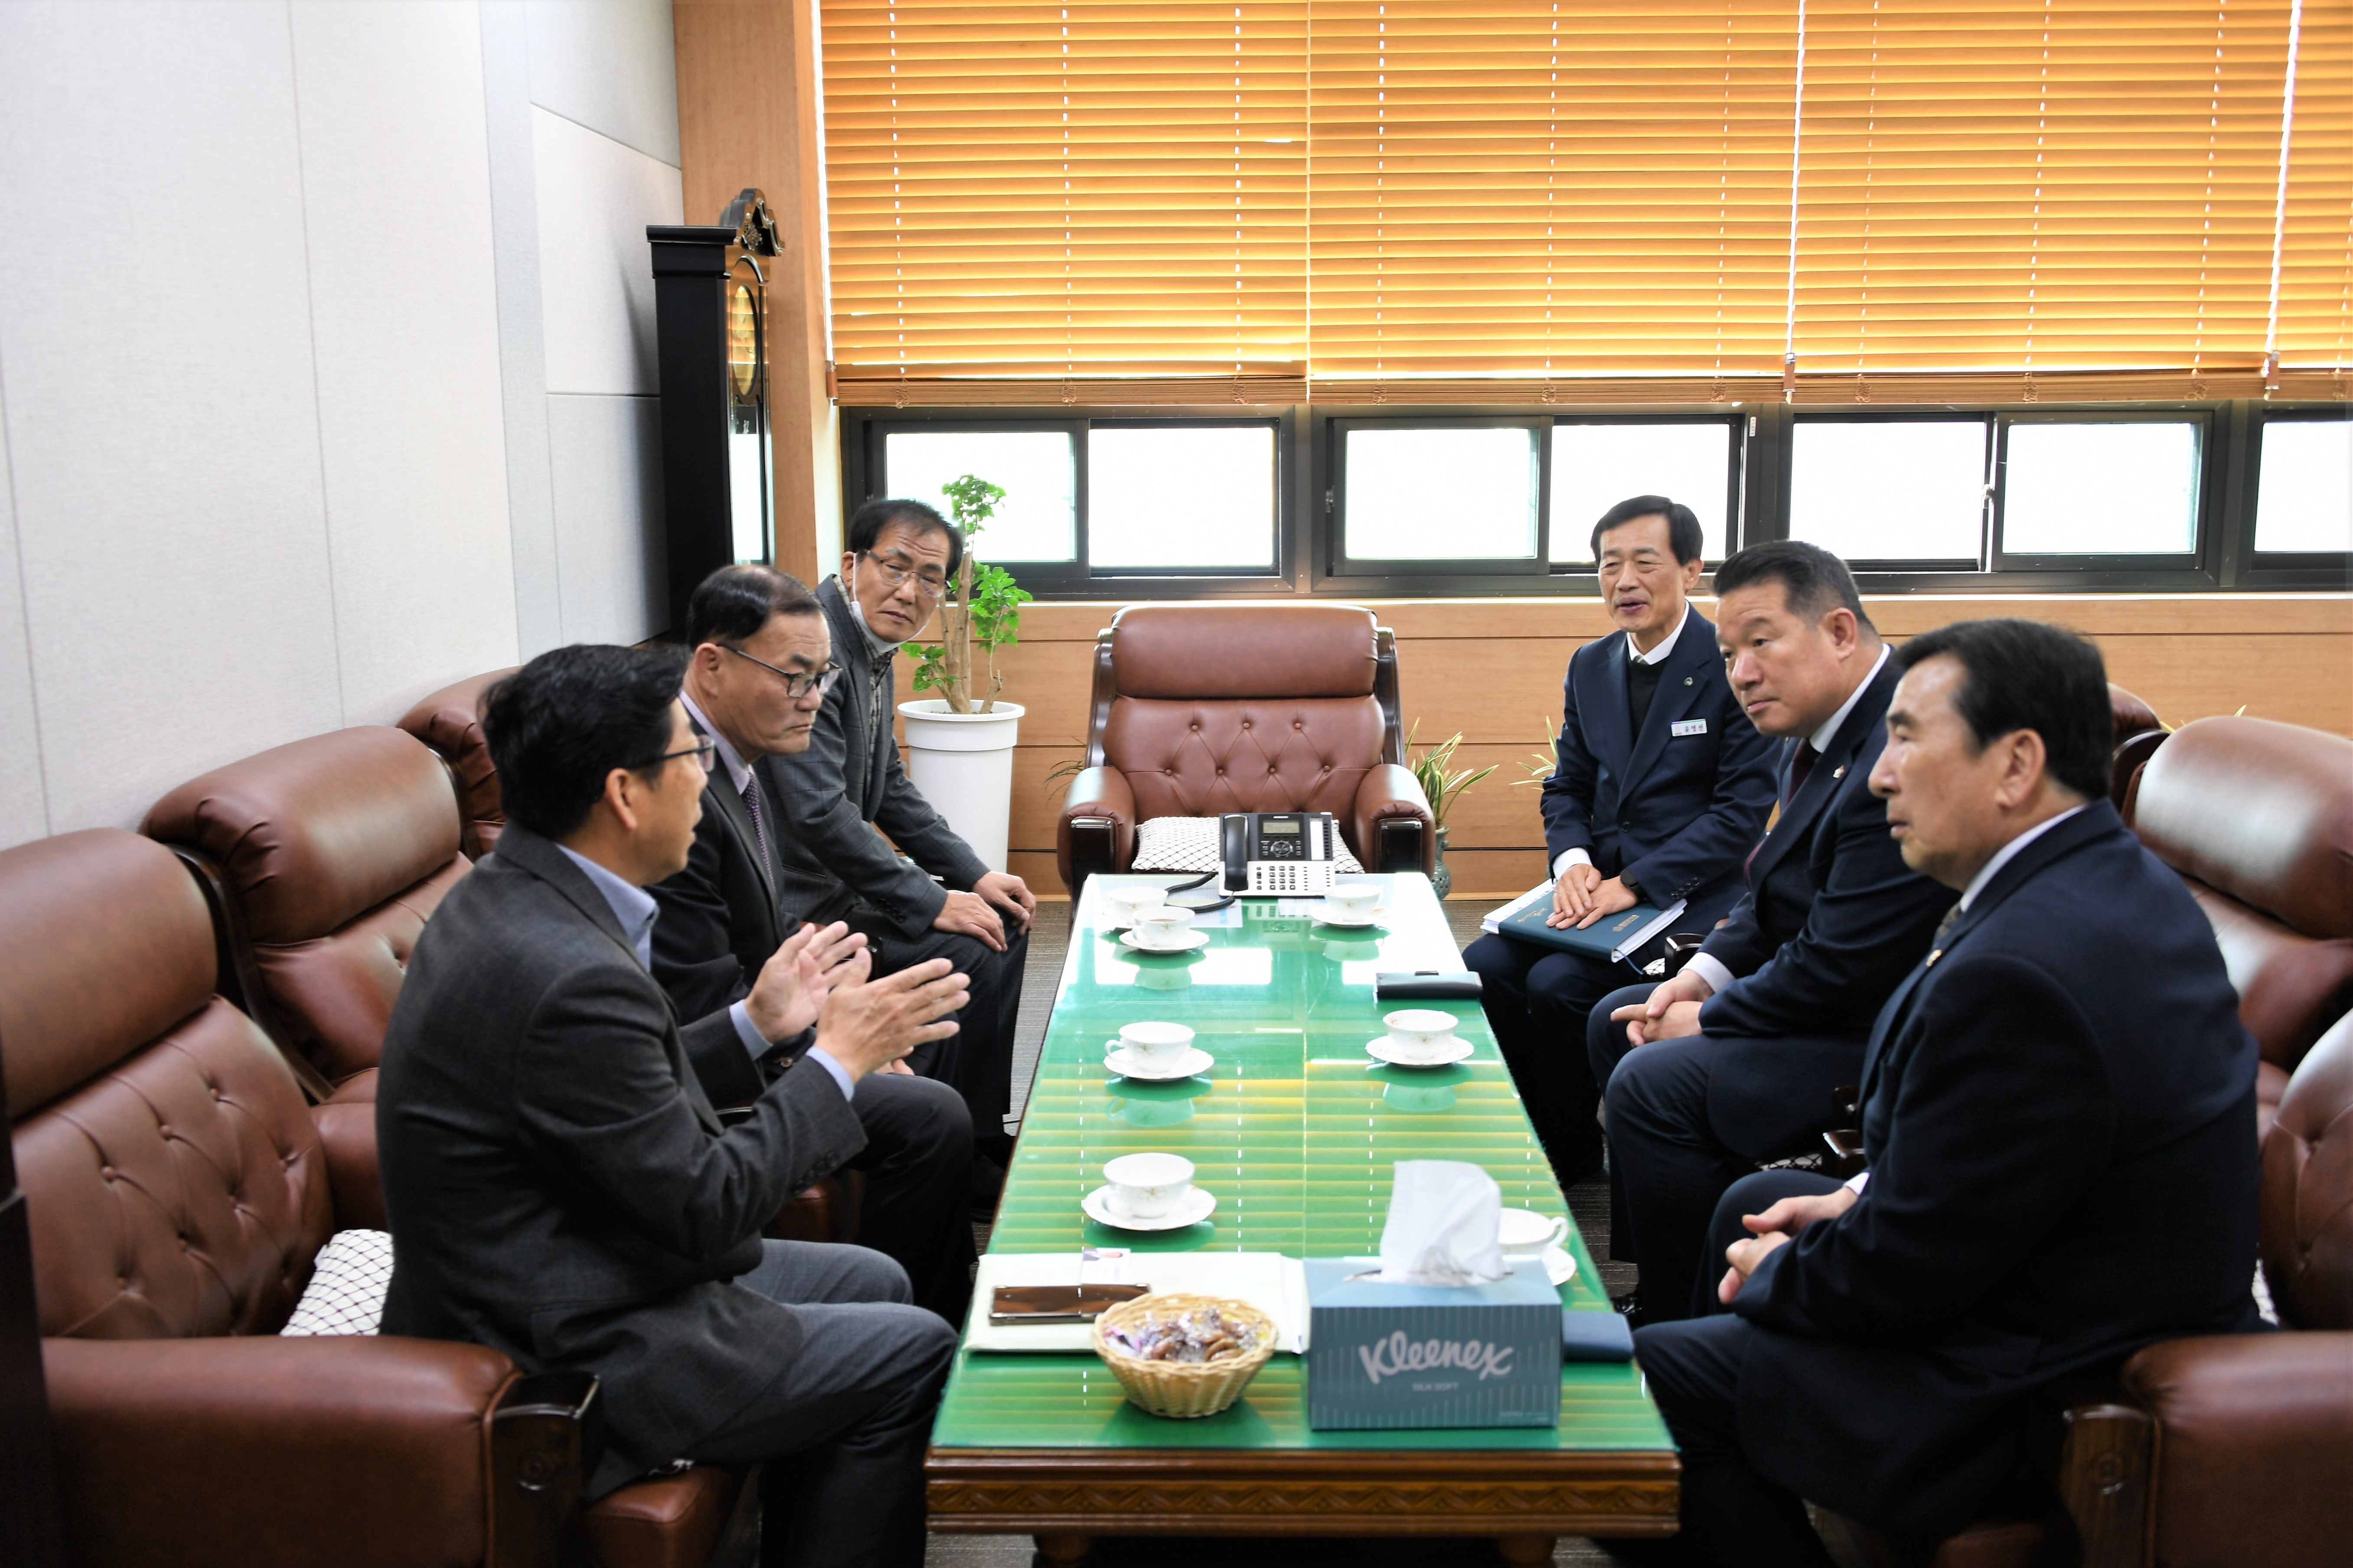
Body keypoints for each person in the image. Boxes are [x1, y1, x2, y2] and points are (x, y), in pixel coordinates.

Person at [1630, 618, 2259, 1565]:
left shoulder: (2025, 973)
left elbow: (1914, 1268)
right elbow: (1999, 1163)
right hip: (2051, 1275)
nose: (1880, 774)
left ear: (2015, 765)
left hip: (2032, 1376)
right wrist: (1850, 1199)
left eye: (1908, 737)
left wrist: (1786, 1282)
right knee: (1754, 1205)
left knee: (1650, 1383)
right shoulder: (2100, 875)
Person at [376, 643, 970, 1568]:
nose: (708, 781)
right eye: (689, 758)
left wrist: (755, 1025)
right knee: (912, 1351)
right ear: (624, 792)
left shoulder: (511, 892)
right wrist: (840, 1062)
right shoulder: (567, 971)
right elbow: (704, 1208)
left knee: (875, 1281)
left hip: (573, 1252)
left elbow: (606, 1096)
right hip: (562, 1334)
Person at [1588, 540, 1947, 1323]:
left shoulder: (1897, 747)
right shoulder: (1815, 733)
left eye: (1761, 641)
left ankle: (1679, 1317)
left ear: (1840, 632)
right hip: (1815, 992)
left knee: (1650, 1084)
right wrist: (1698, 978)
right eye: (1727, 653)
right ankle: (1664, 1273)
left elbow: (1845, 962)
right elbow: (1769, 891)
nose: (1740, 672)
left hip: (1860, 1029)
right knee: (1619, 1016)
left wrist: (1711, 1016)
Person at [649, 563, 977, 1325]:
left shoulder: (740, 760)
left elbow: (763, 965)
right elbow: (704, 1007)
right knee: (931, 1116)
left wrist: (837, 1015)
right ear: (711, 664)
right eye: (795, 678)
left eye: (823, 677)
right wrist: (828, 1047)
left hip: (759, 1016)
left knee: (938, 1026)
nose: (814, 699)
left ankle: (940, 1301)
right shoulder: (678, 798)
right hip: (714, 1065)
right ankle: (931, 1321)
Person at [1465, 496, 1775, 1185]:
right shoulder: (1591, 663)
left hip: (1688, 895)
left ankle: (1570, 1159)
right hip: (1593, 886)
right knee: (1481, 963)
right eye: (1609, 565)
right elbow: (1567, 785)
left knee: (1556, 984)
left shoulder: (1731, 665)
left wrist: (1632, 883)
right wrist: (1573, 862)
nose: (1624, 581)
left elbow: (1740, 816)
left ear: (1692, 570)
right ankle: (1529, 1135)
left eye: (1644, 562)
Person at [764, 498, 1036, 1199]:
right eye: (895, 566)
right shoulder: (816, 649)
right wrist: (930, 898)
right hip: (800, 913)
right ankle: (953, 1154)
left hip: (841, 893)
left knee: (998, 916)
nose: (911, 590)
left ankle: (979, 1134)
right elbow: (820, 812)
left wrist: (974, 875)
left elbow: (884, 785)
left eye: (931, 577)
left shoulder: (869, 645)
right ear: (853, 565)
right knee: (970, 943)